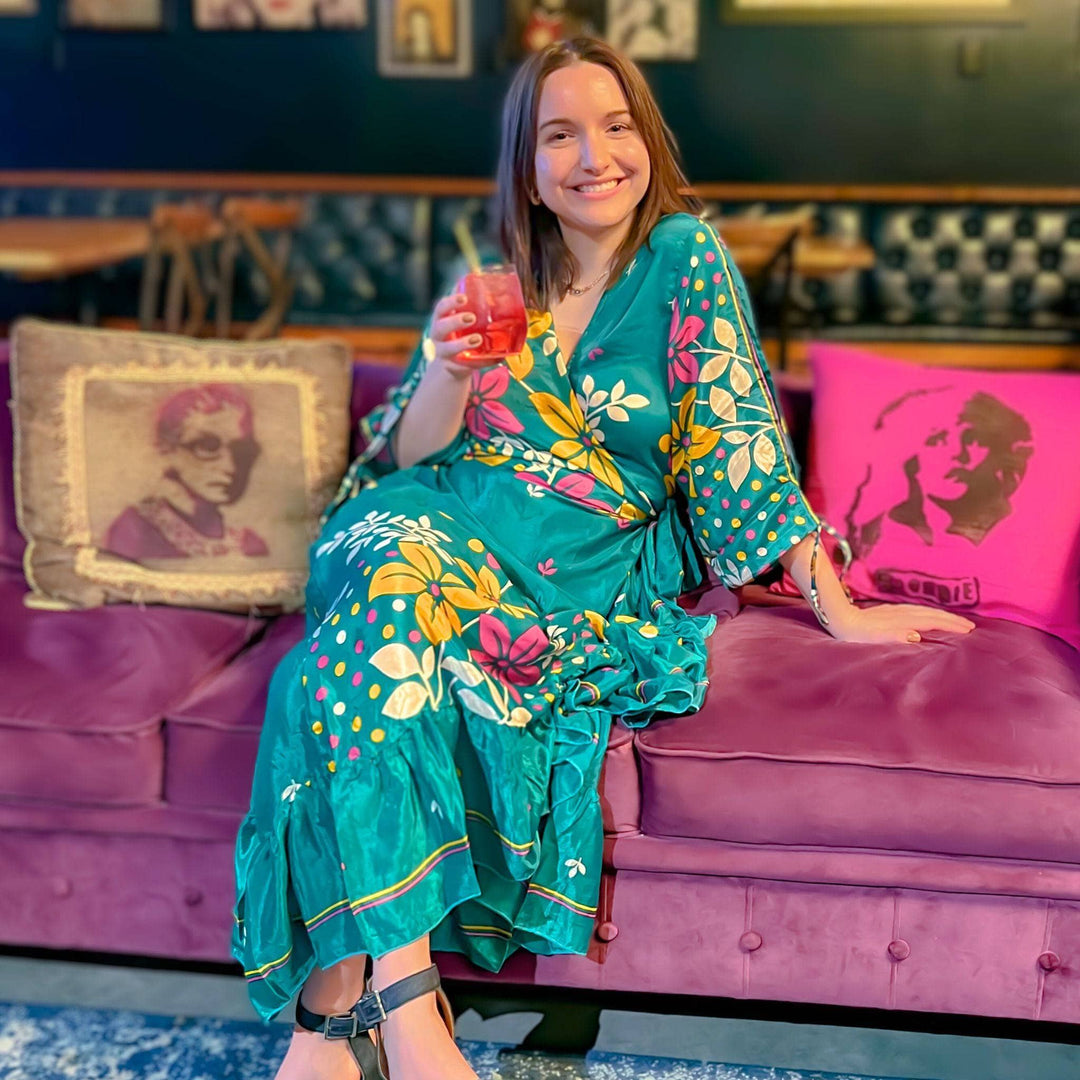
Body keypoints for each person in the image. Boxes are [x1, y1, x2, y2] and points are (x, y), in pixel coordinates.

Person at [233, 37, 975, 1080]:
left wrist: (835, 601)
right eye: (560, 135)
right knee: (390, 568)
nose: (596, 156)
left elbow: (736, 439)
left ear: (646, 139)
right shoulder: (494, 280)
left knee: (332, 669)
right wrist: (447, 367)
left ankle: (330, 1012)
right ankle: (408, 1010)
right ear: (526, 169)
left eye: (616, 125)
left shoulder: (681, 259)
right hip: (429, 515)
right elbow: (412, 450)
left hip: (572, 566)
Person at [103, 383, 268, 561]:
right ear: (167, 449)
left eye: (241, 450)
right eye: (207, 446)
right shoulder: (134, 531)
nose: (230, 467)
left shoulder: (249, 544)